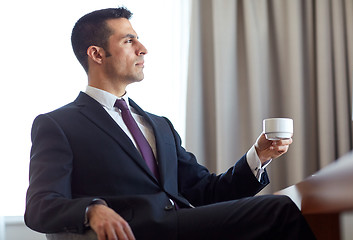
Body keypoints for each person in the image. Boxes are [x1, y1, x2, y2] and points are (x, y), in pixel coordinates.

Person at [24, 7, 315, 240]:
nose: (143, 49)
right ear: (97, 54)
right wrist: (92, 209)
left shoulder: (158, 125)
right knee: (279, 210)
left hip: (184, 223)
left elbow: (205, 192)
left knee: (282, 211)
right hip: (141, 230)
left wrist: (259, 155)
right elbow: (40, 205)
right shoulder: (58, 124)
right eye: (129, 40)